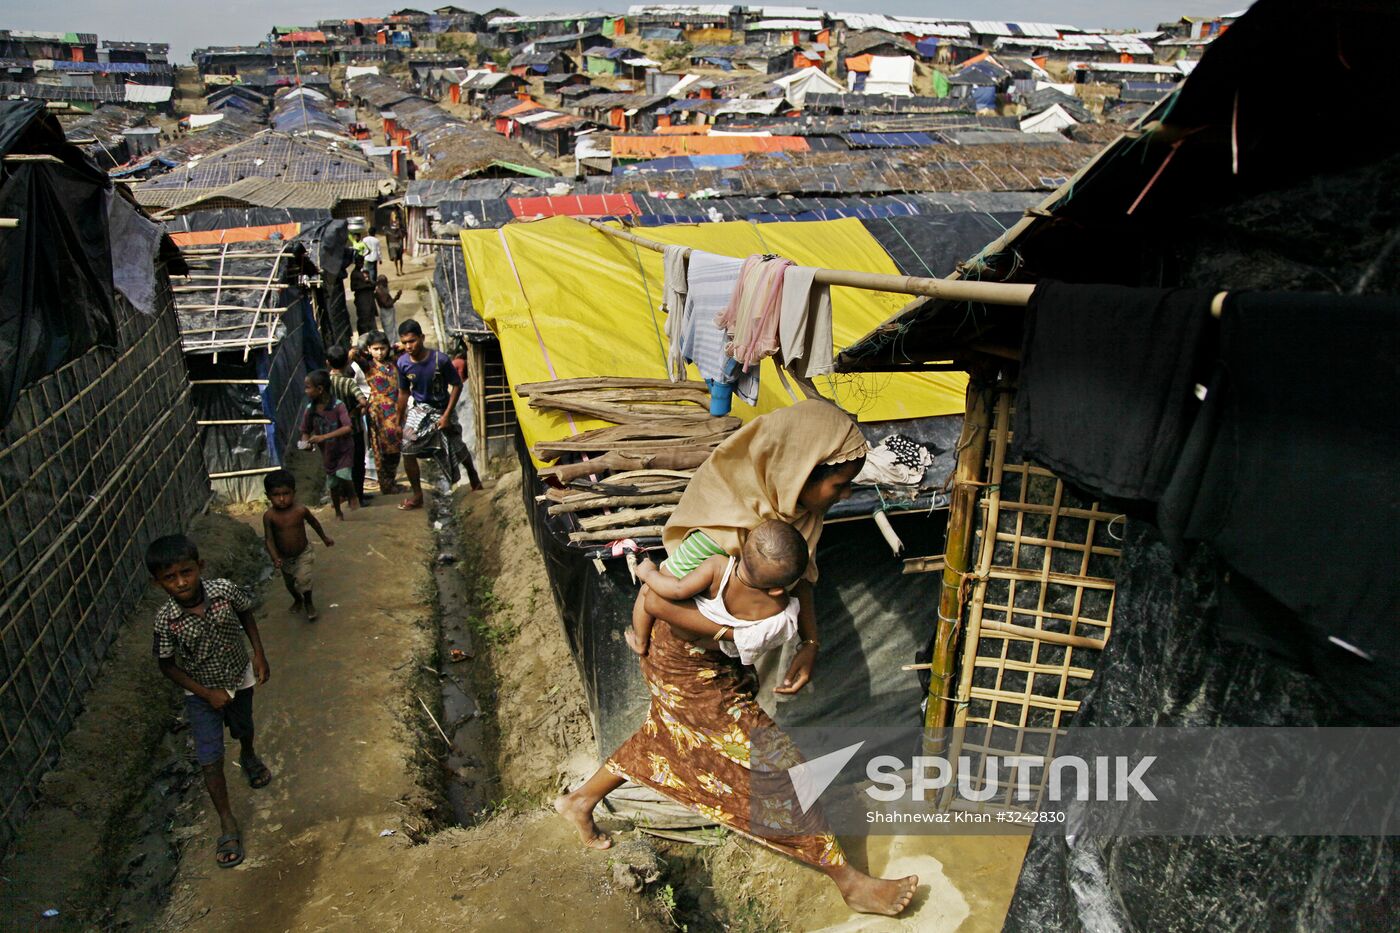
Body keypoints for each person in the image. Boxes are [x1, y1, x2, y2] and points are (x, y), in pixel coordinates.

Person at [555, 401, 919, 917]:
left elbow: (802, 581)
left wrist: (808, 645)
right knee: (777, 762)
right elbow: (658, 601)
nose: (845, 495)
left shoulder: (794, 519)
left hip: (718, 658)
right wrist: (730, 628)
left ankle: (579, 802)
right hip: (683, 662)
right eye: (838, 485)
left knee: (666, 733)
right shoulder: (720, 529)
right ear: (799, 473)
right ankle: (848, 879)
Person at [147, 533, 271, 870]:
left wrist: (258, 654)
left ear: (200, 567)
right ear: (158, 583)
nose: (181, 582)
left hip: (238, 677)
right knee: (209, 756)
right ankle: (227, 822)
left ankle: (248, 754)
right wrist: (205, 694)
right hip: (201, 692)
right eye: (169, 578)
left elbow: (247, 615)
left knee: (244, 727)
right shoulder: (166, 621)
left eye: (186, 572)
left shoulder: (224, 591)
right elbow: (167, 665)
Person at [627, 519, 805, 663]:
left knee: (646, 591)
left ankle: (640, 641)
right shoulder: (780, 606)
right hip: (719, 646)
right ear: (776, 590)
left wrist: (649, 573)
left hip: (686, 633)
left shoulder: (718, 567)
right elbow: (767, 636)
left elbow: (678, 590)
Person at [394, 319, 481, 510]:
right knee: (407, 448)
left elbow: (457, 385)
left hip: (443, 408)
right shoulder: (402, 363)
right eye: (405, 342)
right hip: (420, 410)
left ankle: (473, 475)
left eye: (412, 341)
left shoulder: (439, 360)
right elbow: (403, 393)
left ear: (422, 338)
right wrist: (399, 420)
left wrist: (446, 416)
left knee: (457, 447)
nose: (409, 346)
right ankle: (417, 495)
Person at [262, 469, 335, 621]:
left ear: (294, 493)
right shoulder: (269, 516)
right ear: (268, 496)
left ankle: (308, 602)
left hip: (302, 553)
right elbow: (269, 539)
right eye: (276, 495)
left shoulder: (300, 510)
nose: (282, 499)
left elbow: (314, 523)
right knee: (290, 584)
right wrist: (275, 557)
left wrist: (324, 538)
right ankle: (297, 599)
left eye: (286, 494)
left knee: (303, 580)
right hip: (284, 558)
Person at [301, 369, 358, 519]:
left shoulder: (338, 406)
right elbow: (305, 430)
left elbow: (347, 427)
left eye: (308, 387)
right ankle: (338, 511)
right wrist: (305, 443)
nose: (305, 390)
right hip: (328, 453)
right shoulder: (310, 410)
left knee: (344, 474)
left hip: (344, 448)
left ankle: (352, 495)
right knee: (332, 483)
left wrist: (323, 437)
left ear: (319, 389)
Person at [327, 345, 371, 503]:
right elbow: (363, 401)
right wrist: (353, 411)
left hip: (333, 430)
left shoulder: (324, 384)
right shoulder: (348, 383)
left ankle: (341, 496)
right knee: (357, 463)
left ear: (327, 363)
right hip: (354, 428)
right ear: (347, 362)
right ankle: (358, 496)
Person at [361, 330, 403, 494]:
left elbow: (404, 348)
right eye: (376, 349)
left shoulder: (393, 362)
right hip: (377, 411)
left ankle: (391, 481)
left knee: (395, 446)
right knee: (379, 448)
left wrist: (395, 347)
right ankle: (386, 484)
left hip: (395, 409)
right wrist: (363, 351)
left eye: (383, 348)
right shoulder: (368, 365)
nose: (380, 352)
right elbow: (353, 353)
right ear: (369, 349)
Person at [350, 259, 376, 337]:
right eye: (359, 262)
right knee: (363, 319)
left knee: (370, 319)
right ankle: (363, 336)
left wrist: (370, 283)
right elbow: (353, 287)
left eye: (362, 262)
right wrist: (365, 286)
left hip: (369, 299)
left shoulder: (364, 273)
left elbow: (372, 283)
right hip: (361, 299)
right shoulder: (354, 274)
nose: (361, 264)